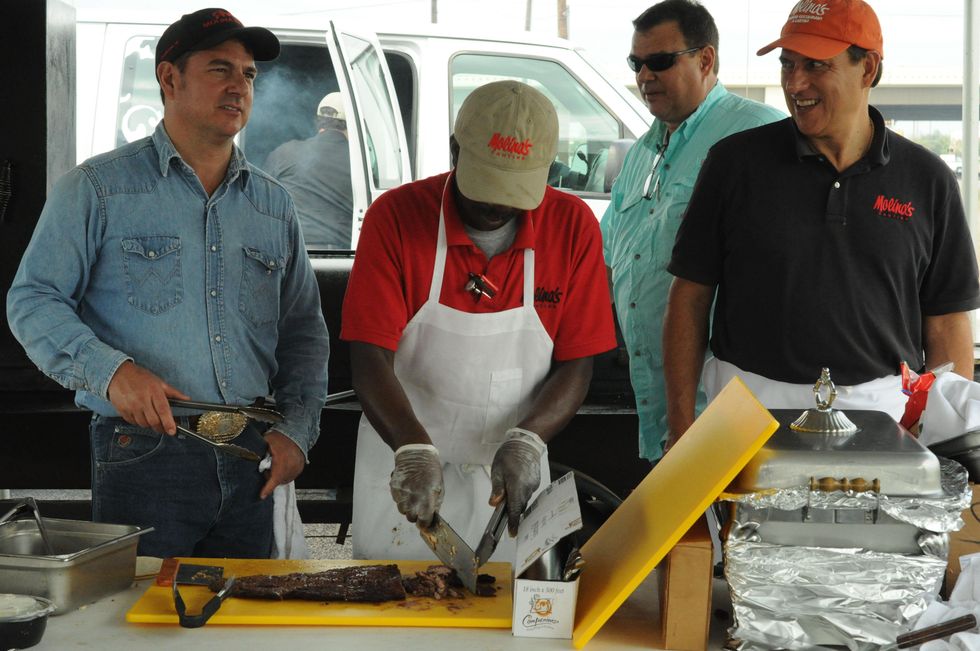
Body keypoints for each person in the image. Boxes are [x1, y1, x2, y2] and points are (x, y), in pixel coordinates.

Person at [6, 7, 330, 558]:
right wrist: (113, 374)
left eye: (248, 75)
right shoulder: (99, 188)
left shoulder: (273, 205)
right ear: (168, 78)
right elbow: (33, 300)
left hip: (251, 450)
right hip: (146, 448)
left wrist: (297, 430)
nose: (238, 87)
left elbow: (303, 331)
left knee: (240, 628)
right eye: (219, 69)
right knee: (139, 627)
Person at [663, 0, 980, 447]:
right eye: (787, 64)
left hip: (884, 420)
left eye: (816, 65)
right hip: (745, 414)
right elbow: (689, 300)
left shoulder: (928, 180)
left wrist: (945, 446)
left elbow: (947, 321)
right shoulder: (734, 164)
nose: (795, 83)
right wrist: (682, 431)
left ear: (867, 68)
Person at [341, 80, 616, 560]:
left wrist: (529, 441)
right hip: (401, 464)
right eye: (487, 185)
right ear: (454, 151)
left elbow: (578, 363)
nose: (498, 205)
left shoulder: (572, 227)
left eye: (516, 190)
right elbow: (368, 357)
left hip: (509, 478)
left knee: (506, 612)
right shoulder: (396, 217)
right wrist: (411, 449)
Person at [600, 0, 784, 463]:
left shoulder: (758, 136)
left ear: (706, 60)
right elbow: (611, 257)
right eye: (636, 64)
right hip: (660, 411)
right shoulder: (644, 149)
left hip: (728, 414)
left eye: (659, 62)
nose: (645, 76)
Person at [264, 92, 354, 249]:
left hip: (289, 253)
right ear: (352, 125)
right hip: (339, 259)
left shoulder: (285, 152)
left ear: (319, 122)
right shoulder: (358, 162)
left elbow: (259, 198)